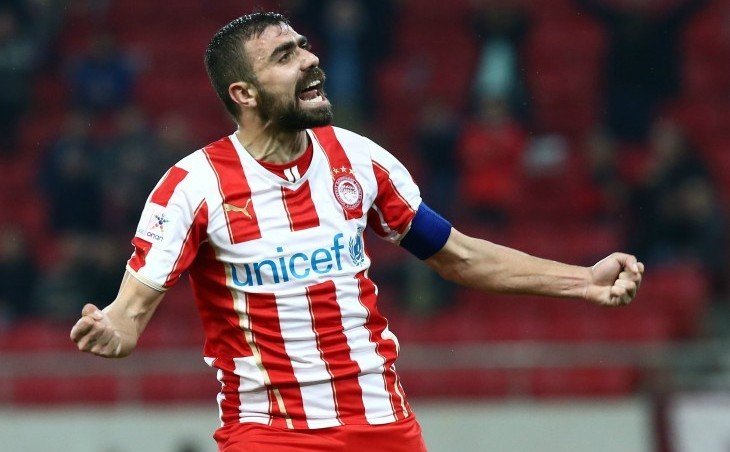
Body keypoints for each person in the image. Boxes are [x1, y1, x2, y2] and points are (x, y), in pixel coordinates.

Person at [70, 12, 644, 452]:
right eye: (285, 56)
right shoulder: (193, 186)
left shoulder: (358, 158)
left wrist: (582, 281)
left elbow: (458, 255)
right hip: (270, 433)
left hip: (383, 425)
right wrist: (113, 332)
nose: (310, 59)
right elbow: (129, 313)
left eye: (304, 46)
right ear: (243, 94)